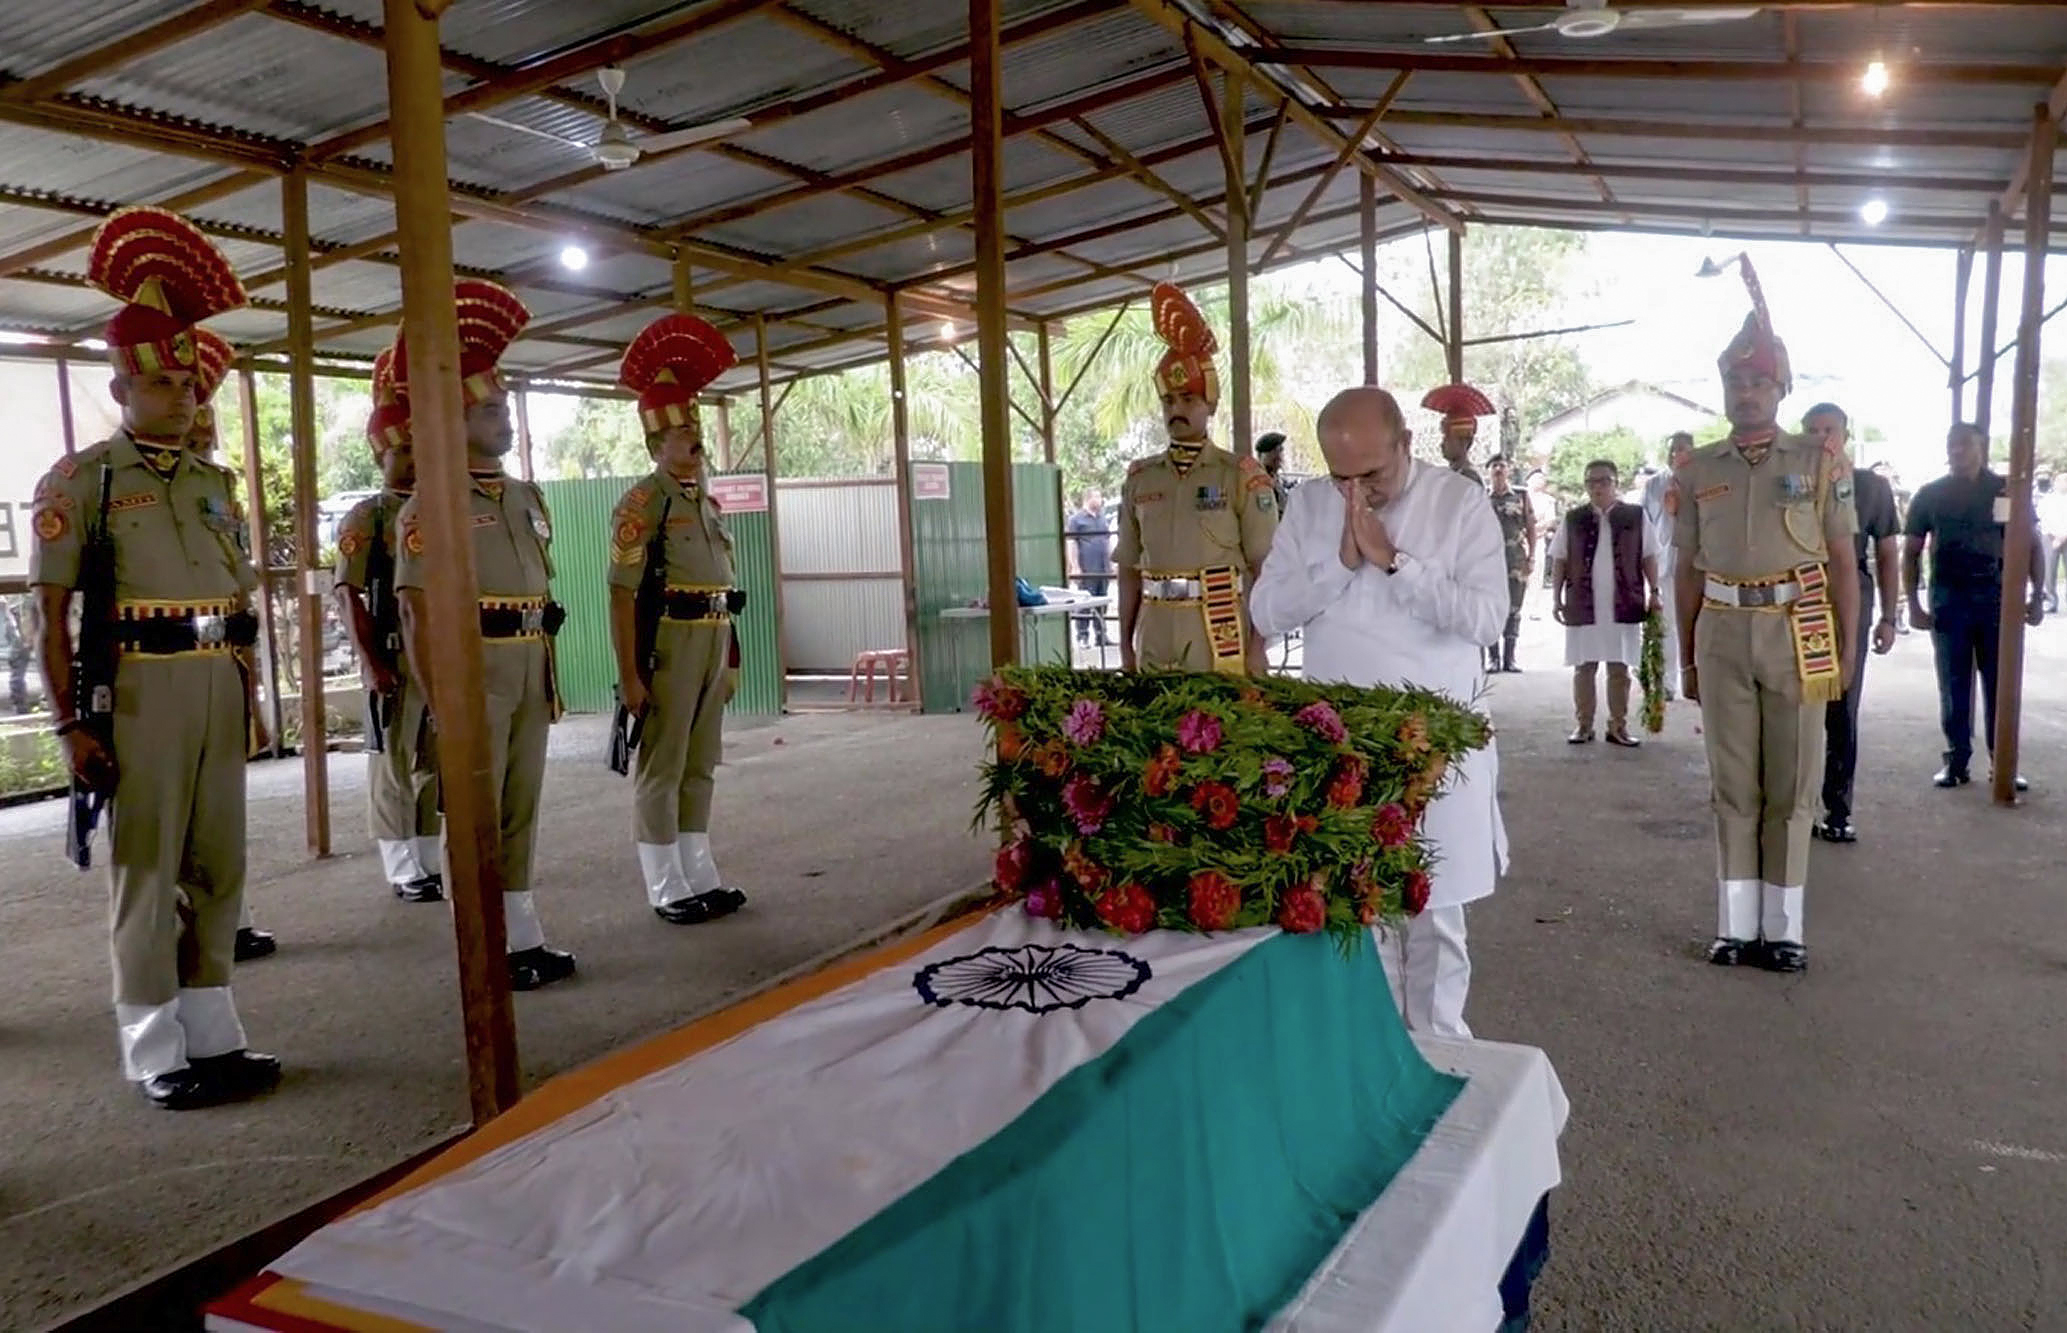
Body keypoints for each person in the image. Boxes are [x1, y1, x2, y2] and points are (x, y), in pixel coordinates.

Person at [29, 207, 281, 1108]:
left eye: (190, 380)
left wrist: (251, 700)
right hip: (136, 689)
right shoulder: (85, 478)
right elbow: (50, 611)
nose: (186, 394)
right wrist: (68, 723)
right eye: (167, 382)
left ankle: (212, 1032)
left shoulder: (215, 483)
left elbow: (238, 605)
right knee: (149, 869)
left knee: (220, 862)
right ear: (124, 386)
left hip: (215, 682)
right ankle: (152, 1046)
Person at [1249, 386, 1507, 1038]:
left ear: (1405, 444)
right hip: (1342, 752)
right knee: (1353, 915)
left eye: (1373, 474)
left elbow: (1485, 618)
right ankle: (1372, 1065)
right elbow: (1265, 613)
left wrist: (1395, 562)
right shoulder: (1307, 506)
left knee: (1434, 917)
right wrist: (1338, 563)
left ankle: (1441, 1057)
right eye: (1342, 478)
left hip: (1434, 746)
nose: (1357, 493)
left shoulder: (1458, 503)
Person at [1675, 257, 1858, 973]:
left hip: (1797, 627)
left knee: (1791, 785)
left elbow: (1841, 560)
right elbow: (1684, 569)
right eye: (1733, 382)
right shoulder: (1696, 469)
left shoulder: (1817, 462)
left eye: (1756, 382)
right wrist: (1685, 653)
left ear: (1779, 388)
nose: (1743, 393)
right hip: (1721, 628)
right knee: (1731, 783)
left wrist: (1845, 648)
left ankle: (1783, 927)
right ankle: (1734, 925)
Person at [394, 279, 577, 992]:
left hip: (528, 662)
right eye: (493, 410)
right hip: (473, 667)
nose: (505, 421)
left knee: (520, 803)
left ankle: (520, 933)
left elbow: (543, 590)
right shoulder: (429, 502)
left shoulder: (525, 495)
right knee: (474, 810)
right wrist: (442, 701)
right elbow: (416, 610)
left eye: (505, 408)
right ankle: (478, 941)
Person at [608, 311, 753, 926]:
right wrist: (630, 676)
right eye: (682, 428)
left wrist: (734, 653)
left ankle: (700, 871)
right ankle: (665, 884)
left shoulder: (708, 503)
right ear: (655, 443)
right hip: (668, 643)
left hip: (713, 640)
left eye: (695, 423)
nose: (694, 435)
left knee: (700, 763)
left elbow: (723, 583)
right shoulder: (643, 504)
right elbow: (621, 594)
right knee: (661, 766)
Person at [1116, 282, 1277, 674]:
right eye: (1169, 401)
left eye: (1189, 399)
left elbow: (1266, 570)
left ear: (1211, 406)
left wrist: (1258, 646)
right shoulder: (1140, 478)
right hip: (1156, 627)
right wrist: (1125, 647)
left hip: (1219, 630)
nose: (1177, 410)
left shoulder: (1240, 476)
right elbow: (1127, 570)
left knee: (1218, 730)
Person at [334, 346, 444, 903]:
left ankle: (429, 855)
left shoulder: (438, 510)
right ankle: (402, 866)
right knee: (393, 764)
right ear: (382, 455)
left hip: (437, 655)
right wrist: (372, 660)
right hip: (394, 654)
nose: (414, 458)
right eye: (403, 449)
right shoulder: (368, 516)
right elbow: (347, 593)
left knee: (435, 759)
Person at [187, 326, 278, 963]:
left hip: (220, 666)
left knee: (222, 814)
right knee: (168, 821)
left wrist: (253, 692)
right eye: (194, 437)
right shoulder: (103, 486)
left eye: (206, 438)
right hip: (148, 675)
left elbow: (238, 592)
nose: (201, 446)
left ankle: (232, 918)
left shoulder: (220, 496)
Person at [1903, 422, 2045, 790]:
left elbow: (2031, 543)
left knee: (2001, 684)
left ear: (1982, 446)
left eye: (1965, 444)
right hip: (1949, 600)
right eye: (1952, 444)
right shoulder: (1931, 494)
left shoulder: (2005, 491)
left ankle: (2004, 763)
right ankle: (1956, 760)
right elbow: (1912, 551)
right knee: (1953, 683)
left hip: (1998, 600)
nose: (1957, 450)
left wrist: (2036, 594)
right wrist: (1914, 603)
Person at [1800, 404, 1900, 842]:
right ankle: (1793, 808)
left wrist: (1890, 617)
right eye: (1813, 430)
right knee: (1795, 704)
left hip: (1849, 598)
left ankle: (1837, 810)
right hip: (1795, 595)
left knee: (1842, 702)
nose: (1823, 438)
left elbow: (1889, 552)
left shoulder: (1871, 487)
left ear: (1845, 434)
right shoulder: (1789, 481)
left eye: (1830, 430)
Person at [1551, 459, 1660, 747]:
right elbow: (1560, 559)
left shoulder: (1635, 516)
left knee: (1619, 667)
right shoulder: (1573, 518)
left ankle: (1618, 726)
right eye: (1592, 481)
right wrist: (1556, 597)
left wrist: (1655, 592)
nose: (1598, 487)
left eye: (1604, 480)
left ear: (1616, 483)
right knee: (1584, 667)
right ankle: (1583, 725)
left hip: (1623, 601)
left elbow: (1649, 555)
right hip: (1582, 602)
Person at [1640, 432, 1696, 697]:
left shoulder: (1701, 480)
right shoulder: (1654, 484)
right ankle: (1667, 682)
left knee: (1696, 623)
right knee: (1666, 624)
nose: (1677, 454)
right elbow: (1645, 524)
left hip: (1694, 562)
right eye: (1673, 449)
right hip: (1663, 563)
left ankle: (1696, 678)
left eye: (1683, 449)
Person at [1484, 453, 1534, 672]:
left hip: (1515, 560)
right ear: (1489, 471)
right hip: (1488, 561)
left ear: (1508, 470)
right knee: (1491, 607)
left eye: (1502, 466)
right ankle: (1493, 658)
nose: (1498, 470)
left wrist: (1532, 556)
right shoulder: (1481, 497)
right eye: (1494, 466)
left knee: (1514, 609)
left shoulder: (1521, 495)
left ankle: (1510, 658)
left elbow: (1530, 526)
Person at [1063, 488, 1113, 650]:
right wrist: (1075, 566)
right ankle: (1082, 636)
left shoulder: (1102, 518)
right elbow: (1071, 543)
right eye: (1097, 497)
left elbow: (1108, 540)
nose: (1100, 500)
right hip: (1087, 567)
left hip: (1103, 567)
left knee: (1102, 601)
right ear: (1088, 499)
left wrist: (1112, 563)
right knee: (1084, 602)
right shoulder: (1076, 520)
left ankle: (1101, 635)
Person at [1421, 382, 1496, 486]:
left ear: (1464, 442)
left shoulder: (1468, 479)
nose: (1442, 444)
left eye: (1447, 438)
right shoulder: (1454, 474)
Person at [1254, 431, 1294, 513]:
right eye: (1273, 452)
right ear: (1261, 456)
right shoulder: (1258, 480)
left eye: (1280, 450)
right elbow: (1266, 511)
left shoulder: (1276, 478)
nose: (1279, 456)